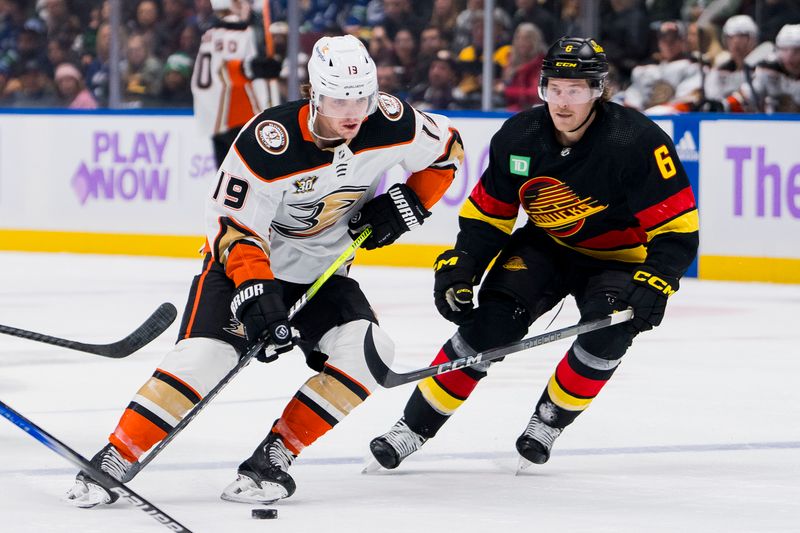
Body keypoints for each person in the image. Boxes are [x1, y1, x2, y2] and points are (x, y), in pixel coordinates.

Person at [64, 33, 463, 507]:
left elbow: (448, 151)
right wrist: (256, 292)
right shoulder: (266, 142)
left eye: (362, 97)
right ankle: (114, 456)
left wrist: (410, 202)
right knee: (205, 359)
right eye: (338, 99)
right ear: (313, 93)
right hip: (242, 270)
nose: (353, 112)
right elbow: (232, 227)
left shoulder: (393, 123)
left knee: (371, 349)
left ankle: (275, 456)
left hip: (322, 275)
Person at [368, 36, 699, 471]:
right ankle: (411, 428)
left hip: (620, 258)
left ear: (599, 90)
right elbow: (490, 215)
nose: (563, 102)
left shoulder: (635, 142)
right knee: (488, 326)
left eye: (576, 90)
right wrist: (464, 263)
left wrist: (657, 279)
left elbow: (677, 230)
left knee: (609, 335)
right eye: (555, 89)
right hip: (546, 246)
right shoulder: (520, 136)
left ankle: (548, 421)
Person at [191, 0, 282, 167]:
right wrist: (256, 68)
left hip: (215, 117)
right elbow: (227, 69)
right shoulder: (232, 29)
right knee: (255, 175)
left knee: (227, 179)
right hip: (237, 115)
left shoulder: (211, 33)